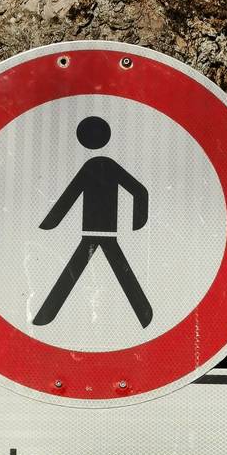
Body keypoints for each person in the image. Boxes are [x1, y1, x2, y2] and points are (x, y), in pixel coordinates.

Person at [33, 116, 152, 328]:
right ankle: (145, 317)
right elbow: (139, 192)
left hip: (96, 232)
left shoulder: (97, 165)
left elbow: (70, 196)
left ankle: (45, 316)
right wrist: (137, 222)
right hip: (100, 233)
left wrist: (51, 222)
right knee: (114, 270)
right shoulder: (105, 165)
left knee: (79, 271)